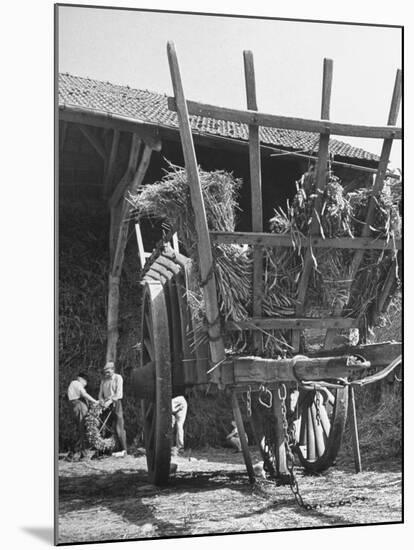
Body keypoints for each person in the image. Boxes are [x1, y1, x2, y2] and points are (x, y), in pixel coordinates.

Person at [99, 361, 127, 458]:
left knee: (119, 428)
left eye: (108, 371)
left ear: (113, 369)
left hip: (116, 403)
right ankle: (108, 451)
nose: (106, 373)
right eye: (105, 371)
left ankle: (124, 450)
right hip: (106, 405)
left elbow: (119, 394)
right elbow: (100, 394)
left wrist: (109, 401)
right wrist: (102, 401)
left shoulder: (118, 378)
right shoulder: (103, 380)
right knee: (107, 428)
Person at [67, 372, 98, 459]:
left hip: (74, 405)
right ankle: (83, 454)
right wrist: (95, 401)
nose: (85, 384)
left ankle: (74, 453)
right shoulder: (76, 383)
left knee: (79, 429)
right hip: (79, 405)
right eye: (86, 382)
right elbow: (84, 394)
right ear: (81, 379)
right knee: (83, 429)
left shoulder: (73, 384)